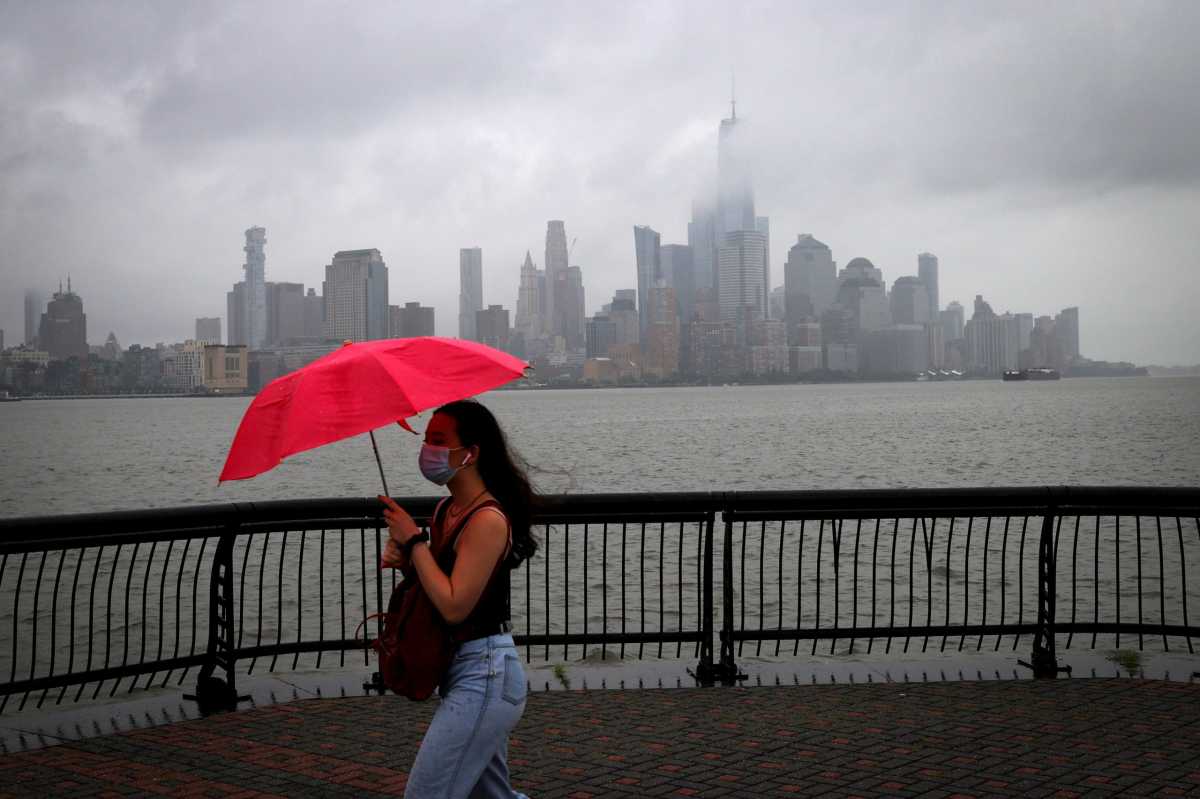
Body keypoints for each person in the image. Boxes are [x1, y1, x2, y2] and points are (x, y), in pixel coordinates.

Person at [378, 399, 537, 799]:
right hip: (462, 669)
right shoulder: (446, 509)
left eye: (438, 441)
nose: (428, 451)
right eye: (426, 440)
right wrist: (406, 560)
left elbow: (454, 605)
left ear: (471, 453)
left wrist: (414, 542)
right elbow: (437, 587)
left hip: (485, 673)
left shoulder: (487, 519)